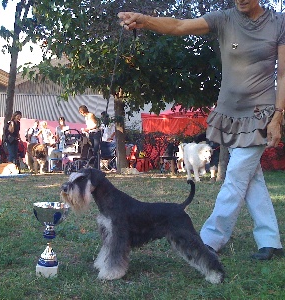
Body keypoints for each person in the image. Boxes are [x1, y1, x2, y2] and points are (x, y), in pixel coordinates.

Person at [118, 1, 284, 260]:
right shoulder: (224, 19)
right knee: (251, 177)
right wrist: (145, 20)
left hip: (259, 113)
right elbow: (180, 25)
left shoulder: (279, 23)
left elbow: (283, 75)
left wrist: (278, 115)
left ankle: (208, 240)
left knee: (237, 174)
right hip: (230, 113)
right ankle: (270, 240)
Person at [79, 105, 101, 169]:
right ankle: (92, 164)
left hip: (96, 133)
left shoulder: (91, 115)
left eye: (81, 112)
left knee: (96, 149)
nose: (81, 114)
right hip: (91, 133)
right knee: (91, 148)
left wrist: (87, 129)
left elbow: (96, 125)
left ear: (83, 111)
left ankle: (96, 166)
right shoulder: (86, 117)